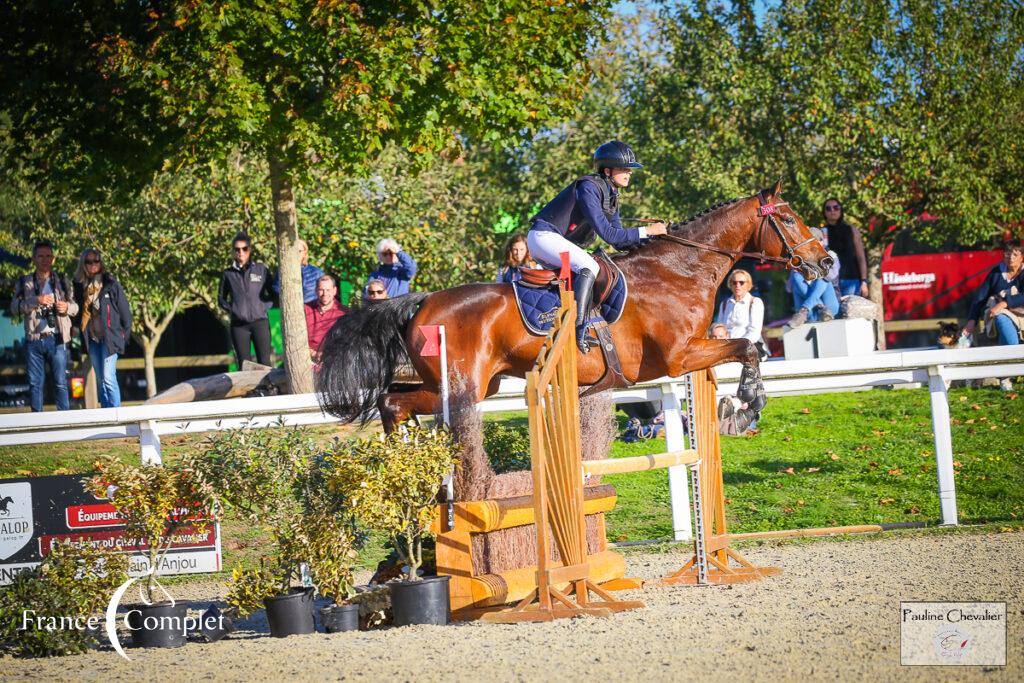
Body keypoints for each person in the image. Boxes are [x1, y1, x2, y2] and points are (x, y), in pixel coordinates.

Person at [528, 140, 667, 352]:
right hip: (544, 236)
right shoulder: (589, 187)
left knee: (600, 265)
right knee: (589, 267)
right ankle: (578, 329)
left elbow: (620, 241)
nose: (629, 172)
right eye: (624, 168)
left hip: (558, 242)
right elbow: (610, 235)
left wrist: (654, 241)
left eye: (630, 169)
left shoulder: (612, 195)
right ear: (607, 170)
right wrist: (647, 231)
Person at [11, 240, 78, 412]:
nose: (45, 259)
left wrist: (67, 308)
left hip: (57, 338)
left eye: (48, 256)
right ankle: (37, 425)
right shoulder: (25, 282)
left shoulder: (63, 281)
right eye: (40, 256)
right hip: (34, 340)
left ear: (53, 259)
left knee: (61, 382)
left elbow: (76, 307)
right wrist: (36, 300)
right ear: (33, 258)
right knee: (35, 384)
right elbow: (14, 308)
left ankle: (65, 423)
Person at [72, 248, 132, 408]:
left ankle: (117, 415)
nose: (93, 264)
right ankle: (107, 415)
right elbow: (77, 315)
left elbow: (126, 314)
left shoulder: (111, 284)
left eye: (96, 261)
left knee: (108, 376)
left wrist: (123, 337)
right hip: (92, 339)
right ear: (83, 264)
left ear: (101, 263)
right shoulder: (79, 287)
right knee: (100, 379)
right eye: (89, 261)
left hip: (110, 339)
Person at [964, 242, 1024, 388]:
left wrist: (1004, 303)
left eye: (1015, 254)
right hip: (1001, 314)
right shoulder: (996, 273)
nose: (1011, 257)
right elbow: (980, 297)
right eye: (1007, 253)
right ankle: (1007, 376)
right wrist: (972, 320)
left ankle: (1005, 377)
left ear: (1022, 257)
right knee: (1002, 320)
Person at [219, 233, 275, 366]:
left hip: (260, 322)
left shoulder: (261, 270)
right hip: (239, 326)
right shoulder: (228, 274)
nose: (241, 252)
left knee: (264, 363)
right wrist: (233, 310)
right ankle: (249, 388)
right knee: (244, 365)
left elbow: (273, 294)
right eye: (237, 249)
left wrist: (263, 307)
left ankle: (266, 387)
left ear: (249, 250)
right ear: (233, 251)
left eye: (244, 248)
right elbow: (221, 298)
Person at [787, 228, 841, 327]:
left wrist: (815, 266)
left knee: (823, 278)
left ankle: (805, 309)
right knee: (796, 276)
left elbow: (832, 275)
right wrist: (796, 269)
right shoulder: (800, 259)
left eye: (813, 242)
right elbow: (789, 288)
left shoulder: (831, 255)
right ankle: (819, 307)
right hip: (814, 312)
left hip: (830, 307)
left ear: (821, 242)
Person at [821, 198, 868, 297]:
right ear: (824, 212)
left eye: (836, 207)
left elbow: (861, 257)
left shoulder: (852, 230)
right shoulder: (822, 232)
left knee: (850, 312)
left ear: (841, 210)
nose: (832, 211)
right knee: (833, 312)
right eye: (828, 208)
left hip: (851, 280)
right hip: (830, 282)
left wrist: (864, 281)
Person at [305, 275, 348, 362]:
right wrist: (313, 354)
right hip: (307, 358)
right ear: (316, 290)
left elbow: (346, 343)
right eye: (321, 290)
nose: (325, 294)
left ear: (334, 290)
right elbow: (296, 339)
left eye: (328, 290)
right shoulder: (305, 309)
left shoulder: (344, 313)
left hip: (334, 360)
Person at [718, 269, 764, 344]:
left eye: (741, 282)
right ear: (730, 284)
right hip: (727, 348)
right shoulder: (724, 304)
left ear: (748, 284)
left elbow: (754, 332)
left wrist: (738, 347)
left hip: (748, 348)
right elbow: (719, 329)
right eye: (734, 282)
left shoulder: (755, 302)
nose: (737, 285)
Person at [273, 239, 324, 304]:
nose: (296, 254)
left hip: (312, 310)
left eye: (299, 251)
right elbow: (276, 290)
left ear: (305, 253)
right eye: (293, 251)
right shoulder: (282, 271)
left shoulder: (317, 273)